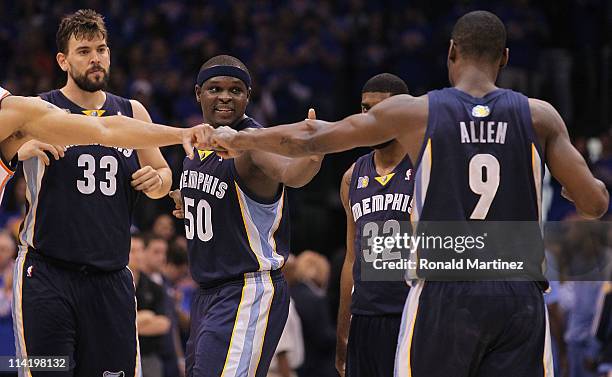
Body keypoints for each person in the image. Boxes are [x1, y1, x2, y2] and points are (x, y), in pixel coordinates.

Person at [209, 11, 609, 377]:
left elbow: (314, 138)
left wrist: (243, 139)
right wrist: (583, 189)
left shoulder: (417, 112)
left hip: (446, 286)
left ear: (451, 52)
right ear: (504, 58)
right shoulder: (539, 116)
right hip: (518, 290)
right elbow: (594, 204)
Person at [11, 9, 177, 376]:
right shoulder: (36, 110)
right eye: (83, 50)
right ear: (63, 60)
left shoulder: (132, 111)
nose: (95, 58)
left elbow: (164, 174)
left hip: (112, 277)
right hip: (47, 274)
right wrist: (17, 151)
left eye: (101, 49)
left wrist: (158, 181)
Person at [175, 54, 323, 377]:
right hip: (206, 294)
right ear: (198, 93)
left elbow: (290, 172)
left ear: (248, 96)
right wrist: (185, 199)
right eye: (215, 89)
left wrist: (312, 154)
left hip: (246, 290)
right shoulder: (196, 147)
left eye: (235, 90)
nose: (225, 96)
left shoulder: (253, 145)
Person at [336, 73, 411, 377]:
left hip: (411, 313)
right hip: (365, 315)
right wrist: (343, 331)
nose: (373, 117)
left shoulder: (426, 167)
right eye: (367, 109)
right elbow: (351, 258)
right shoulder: (352, 176)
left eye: (384, 109)